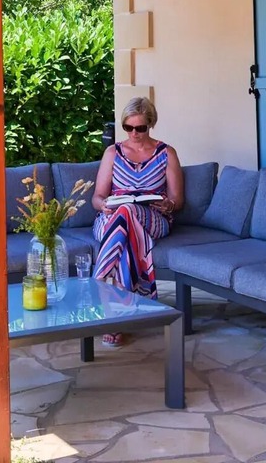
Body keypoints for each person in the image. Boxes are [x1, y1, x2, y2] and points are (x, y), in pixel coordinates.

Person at [91, 96, 184, 347]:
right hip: (111, 219)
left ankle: (96, 290)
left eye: (140, 128)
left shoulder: (166, 153)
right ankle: (121, 313)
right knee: (123, 214)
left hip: (152, 218)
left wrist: (169, 204)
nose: (134, 133)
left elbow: (178, 199)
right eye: (128, 128)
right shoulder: (113, 152)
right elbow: (97, 197)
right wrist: (105, 206)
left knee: (128, 213)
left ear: (150, 124)